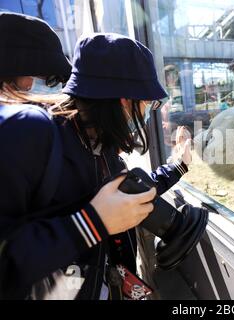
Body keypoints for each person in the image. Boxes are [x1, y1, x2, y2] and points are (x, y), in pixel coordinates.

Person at [0, 16, 194, 299]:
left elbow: (123, 198)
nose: (146, 112)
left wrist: (178, 166)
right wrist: (90, 224)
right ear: (124, 101)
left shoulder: (99, 150)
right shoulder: (30, 134)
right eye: (147, 103)